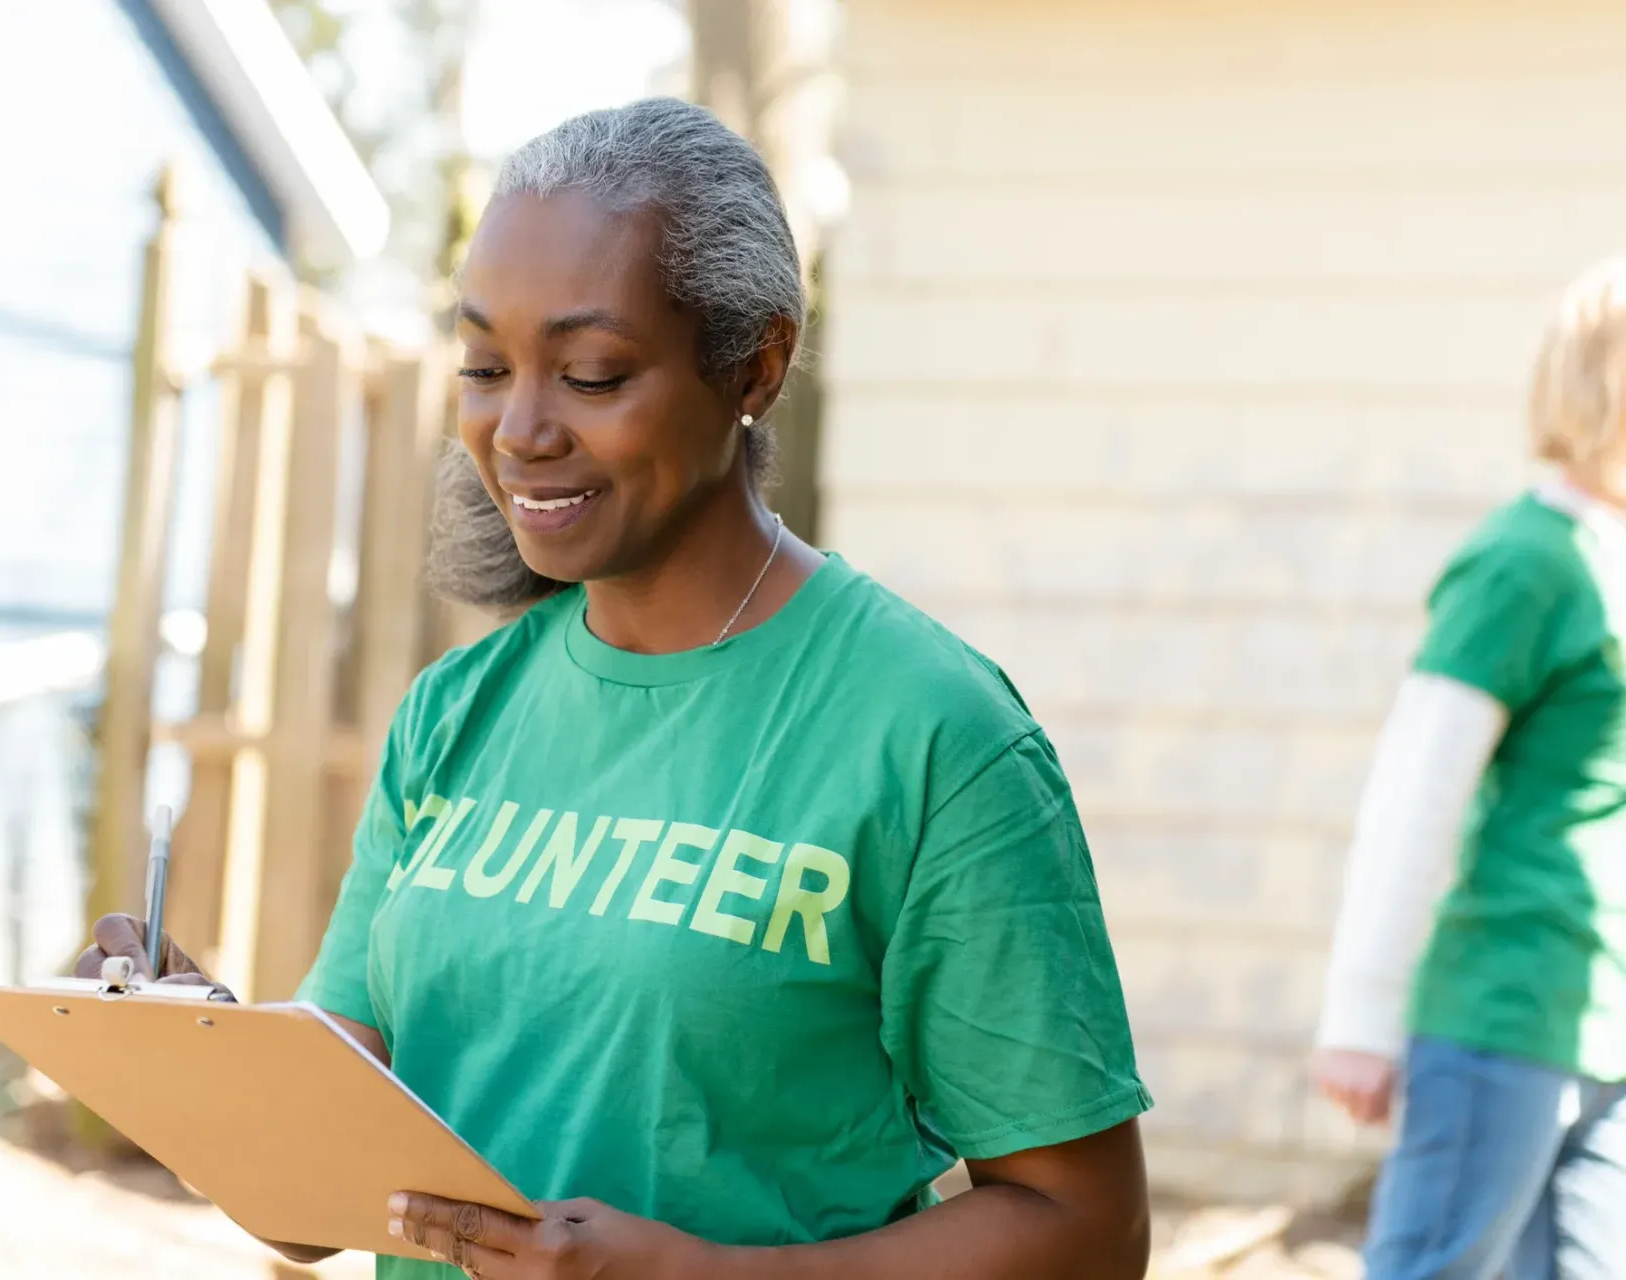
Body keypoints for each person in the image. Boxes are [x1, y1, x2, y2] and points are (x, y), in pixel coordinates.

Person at [82, 98, 1153, 1280]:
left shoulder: (932, 734)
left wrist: (710, 1276)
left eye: (591, 372)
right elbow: (322, 1199)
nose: (518, 428)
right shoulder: (455, 713)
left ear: (754, 366)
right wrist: (196, 1052)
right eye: (485, 367)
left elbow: (1087, 1227)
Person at [1311, 259, 1626, 1279]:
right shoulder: (1526, 561)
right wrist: (1361, 1016)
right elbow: (1417, 792)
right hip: (1507, 1008)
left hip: (1605, 1020)